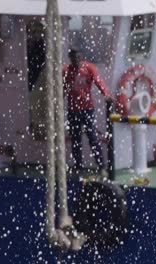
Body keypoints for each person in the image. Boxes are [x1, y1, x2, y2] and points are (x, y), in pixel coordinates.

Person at [63, 47, 113, 177]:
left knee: (93, 138)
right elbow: (62, 88)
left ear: (82, 57)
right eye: (74, 58)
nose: (77, 60)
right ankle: (78, 166)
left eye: (78, 57)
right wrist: (56, 101)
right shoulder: (66, 71)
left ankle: (102, 166)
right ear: (71, 59)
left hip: (87, 109)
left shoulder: (89, 68)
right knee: (75, 139)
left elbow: (98, 81)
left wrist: (106, 94)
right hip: (73, 110)